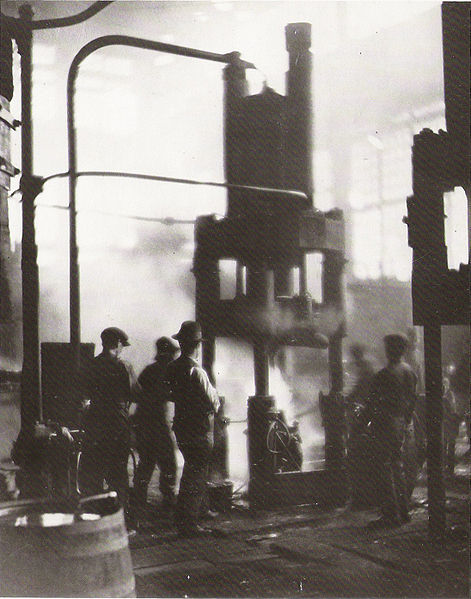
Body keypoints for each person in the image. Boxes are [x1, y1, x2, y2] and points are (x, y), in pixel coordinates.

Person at [165, 320, 220, 538]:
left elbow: (168, 393)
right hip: (199, 429)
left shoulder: (172, 368)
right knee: (195, 475)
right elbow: (213, 401)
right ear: (197, 346)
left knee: (190, 471)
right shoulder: (197, 372)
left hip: (182, 428)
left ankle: (185, 517)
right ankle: (189, 524)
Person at [79, 327, 139, 523]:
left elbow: (84, 394)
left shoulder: (91, 365)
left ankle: (93, 518)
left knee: (94, 472)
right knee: (118, 473)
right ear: (119, 344)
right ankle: (118, 519)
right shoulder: (124, 367)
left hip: (96, 423)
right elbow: (135, 394)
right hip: (117, 424)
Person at [361, 334, 417, 528]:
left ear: (391, 349)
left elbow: (372, 405)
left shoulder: (384, 375)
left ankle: (390, 514)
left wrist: (359, 426)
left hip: (385, 425)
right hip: (400, 424)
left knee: (383, 470)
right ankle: (404, 511)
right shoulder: (409, 371)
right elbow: (412, 399)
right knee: (397, 467)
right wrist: (406, 420)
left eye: (387, 347)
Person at [132, 336, 180, 522]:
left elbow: (137, 395)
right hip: (157, 424)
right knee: (169, 464)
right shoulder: (168, 371)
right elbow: (174, 394)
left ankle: (138, 504)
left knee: (146, 464)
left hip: (143, 423)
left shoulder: (149, 370)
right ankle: (168, 505)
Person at [345, 343, 376, 509]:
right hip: (364, 412)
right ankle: (362, 495)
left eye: (354, 355)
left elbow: (360, 388)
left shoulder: (366, 367)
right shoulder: (365, 366)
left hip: (365, 414)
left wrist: (347, 399)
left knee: (359, 452)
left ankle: (362, 496)